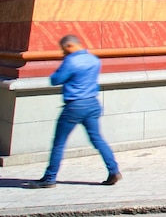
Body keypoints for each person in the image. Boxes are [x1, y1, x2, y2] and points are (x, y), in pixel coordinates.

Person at [26, 35, 121, 189]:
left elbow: (55, 80)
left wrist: (60, 68)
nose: (63, 53)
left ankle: (50, 178)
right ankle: (114, 170)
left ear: (69, 45)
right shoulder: (94, 60)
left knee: (59, 143)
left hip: (75, 105)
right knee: (97, 139)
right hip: (93, 103)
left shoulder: (71, 61)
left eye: (64, 49)